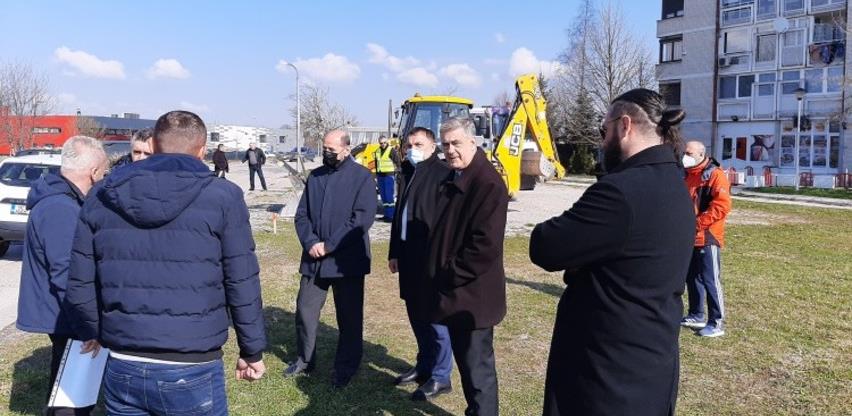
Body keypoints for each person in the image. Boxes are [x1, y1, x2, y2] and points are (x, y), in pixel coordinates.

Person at [64, 110, 267, 415]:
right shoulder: (223, 196)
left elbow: (80, 281)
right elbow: (242, 280)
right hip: (188, 361)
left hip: (126, 357)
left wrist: (93, 331)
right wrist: (251, 349)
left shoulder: (102, 194)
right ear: (202, 150)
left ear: (155, 146)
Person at [529, 89, 695, 416]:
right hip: (652, 359)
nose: (602, 141)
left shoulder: (620, 191)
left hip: (607, 372)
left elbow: (545, 246)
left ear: (624, 125)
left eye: (603, 130)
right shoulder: (673, 182)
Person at [16, 136, 108, 416]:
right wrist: (88, 327)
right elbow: (67, 274)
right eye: (104, 173)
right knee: (71, 394)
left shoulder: (62, 201)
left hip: (65, 313)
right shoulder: (60, 208)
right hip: (66, 315)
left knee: (66, 386)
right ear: (93, 172)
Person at [427, 117, 508, 415]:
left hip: (473, 295)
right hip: (457, 293)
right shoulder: (457, 175)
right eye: (445, 144)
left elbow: (484, 247)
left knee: (478, 372)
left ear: (473, 142)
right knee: (468, 367)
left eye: (456, 143)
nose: (450, 150)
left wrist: (448, 274)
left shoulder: (487, 183)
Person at [289, 129, 376, 388]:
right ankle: (305, 359)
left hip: (345, 260)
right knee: (305, 310)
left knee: (349, 317)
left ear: (346, 149)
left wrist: (329, 245)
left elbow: (361, 219)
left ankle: (346, 367)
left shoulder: (362, 177)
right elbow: (302, 215)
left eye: (332, 150)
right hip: (314, 259)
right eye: (324, 148)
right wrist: (311, 243)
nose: (327, 153)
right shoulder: (315, 176)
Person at [388, 127, 454, 401]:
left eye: (418, 144)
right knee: (416, 315)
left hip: (430, 259)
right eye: (409, 145)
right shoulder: (407, 172)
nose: (412, 149)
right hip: (407, 257)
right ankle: (424, 365)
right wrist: (394, 251)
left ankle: (441, 375)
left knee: (436, 318)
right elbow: (399, 216)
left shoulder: (443, 173)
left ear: (432, 146)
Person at [681, 140, 732, 337]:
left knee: (711, 279)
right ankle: (696, 314)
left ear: (701, 155)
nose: (685, 157)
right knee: (692, 277)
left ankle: (716, 322)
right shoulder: (686, 174)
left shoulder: (715, 175)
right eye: (684, 153)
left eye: (689, 153)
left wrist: (697, 224)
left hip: (708, 236)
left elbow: (722, 206)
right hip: (689, 236)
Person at [374, 135, 400, 222]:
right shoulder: (377, 151)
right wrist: (376, 175)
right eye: (381, 143)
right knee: (383, 197)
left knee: (389, 196)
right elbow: (376, 164)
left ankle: (391, 216)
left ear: (387, 142)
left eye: (384, 142)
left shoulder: (391, 150)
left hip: (389, 176)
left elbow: (398, 162)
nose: (383, 144)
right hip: (380, 176)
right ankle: (386, 214)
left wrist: (398, 172)